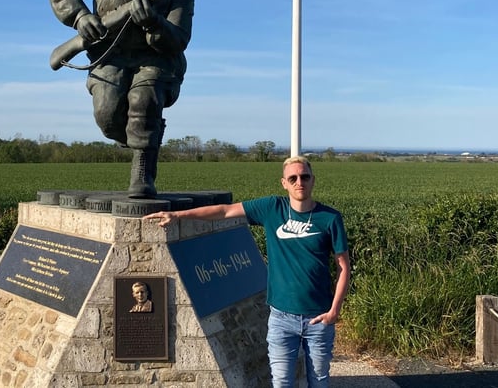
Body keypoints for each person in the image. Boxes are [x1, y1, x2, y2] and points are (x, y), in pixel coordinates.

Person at [143, 156, 350, 388]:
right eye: (293, 178)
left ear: (313, 180)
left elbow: (344, 267)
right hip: (281, 318)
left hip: (318, 318)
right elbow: (224, 211)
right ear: (284, 183)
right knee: (282, 382)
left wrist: (334, 312)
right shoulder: (272, 208)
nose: (299, 182)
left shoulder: (330, 218)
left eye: (304, 177)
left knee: (319, 382)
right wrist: (178, 215)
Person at [47, 0, 195, 198]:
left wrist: (154, 24)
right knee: (108, 115)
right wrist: (80, 17)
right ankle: (134, 136)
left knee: (144, 98)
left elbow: (178, 39)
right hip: (109, 58)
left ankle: (143, 170)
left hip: (158, 60)